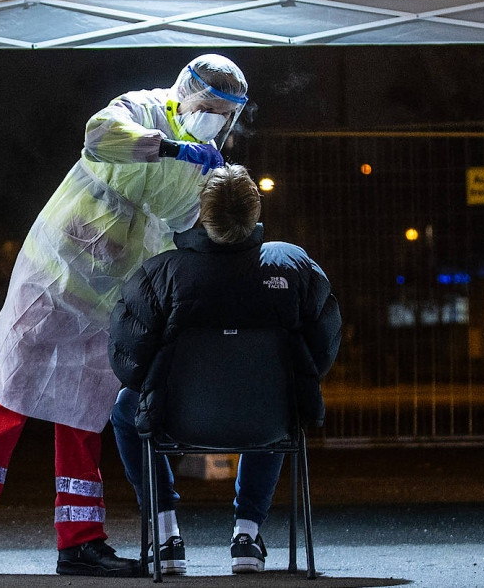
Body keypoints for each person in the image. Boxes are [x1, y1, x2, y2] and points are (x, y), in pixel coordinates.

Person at [0, 55, 250, 578]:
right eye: (207, 104)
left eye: (224, 112)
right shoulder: (142, 109)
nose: (212, 117)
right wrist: (171, 148)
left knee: (83, 415)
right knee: (5, 400)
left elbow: (186, 226)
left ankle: (80, 541)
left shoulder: (206, 162)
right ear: (184, 90)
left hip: (109, 302)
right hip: (52, 277)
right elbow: (99, 135)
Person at [107, 164, 341, 575]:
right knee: (281, 394)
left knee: (125, 409)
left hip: (179, 420)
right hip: (267, 420)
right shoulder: (293, 266)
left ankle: (166, 536)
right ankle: (247, 535)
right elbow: (323, 346)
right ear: (254, 211)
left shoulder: (161, 273)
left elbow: (127, 359)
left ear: (203, 212)